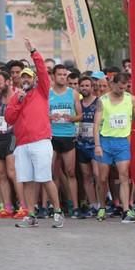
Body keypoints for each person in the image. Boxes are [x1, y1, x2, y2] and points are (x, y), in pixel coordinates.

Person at [6, 38, 64, 229]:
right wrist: (19, 102)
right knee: (27, 181)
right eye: (22, 77)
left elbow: (42, 70)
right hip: (22, 144)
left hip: (40, 142)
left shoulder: (42, 91)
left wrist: (34, 52)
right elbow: (9, 118)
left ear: (34, 79)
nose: (25, 80)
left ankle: (57, 211)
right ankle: (31, 214)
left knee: (45, 178)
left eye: (28, 77)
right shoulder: (16, 97)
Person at [93, 72, 135, 223]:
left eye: (124, 88)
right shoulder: (102, 100)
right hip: (105, 141)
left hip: (122, 142)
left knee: (124, 176)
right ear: (112, 84)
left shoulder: (131, 99)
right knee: (103, 178)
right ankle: (102, 207)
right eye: (119, 88)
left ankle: (126, 210)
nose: (122, 91)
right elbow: (96, 124)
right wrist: (97, 145)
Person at [0, 71, 25, 219]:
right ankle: (7, 207)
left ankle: (23, 206)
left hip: (11, 137)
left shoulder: (18, 97)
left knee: (12, 173)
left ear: (9, 81)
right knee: (0, 173)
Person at [49, 65, 82, 217]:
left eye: (64, 75)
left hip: (68, 135)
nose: (62, 77)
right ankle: (56, 207)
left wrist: (72, 118)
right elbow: (41, 114)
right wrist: (50, 117)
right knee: (52, 173)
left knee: (70, 172)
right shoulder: (47, 93)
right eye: (60, 75)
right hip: (52, 136)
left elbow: (80, 115)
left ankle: (75, 207)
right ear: (53, 76)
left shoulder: (73, 93)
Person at [76, 75, 99, 218]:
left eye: (87, 85)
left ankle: (102, 203)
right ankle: (92, 205)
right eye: (82, 86)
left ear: (92, 87)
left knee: (98, 175)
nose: (84, 88)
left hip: (95, 145)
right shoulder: (77, 103)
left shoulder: (98, 102)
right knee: (86, 176)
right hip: (81, 144)